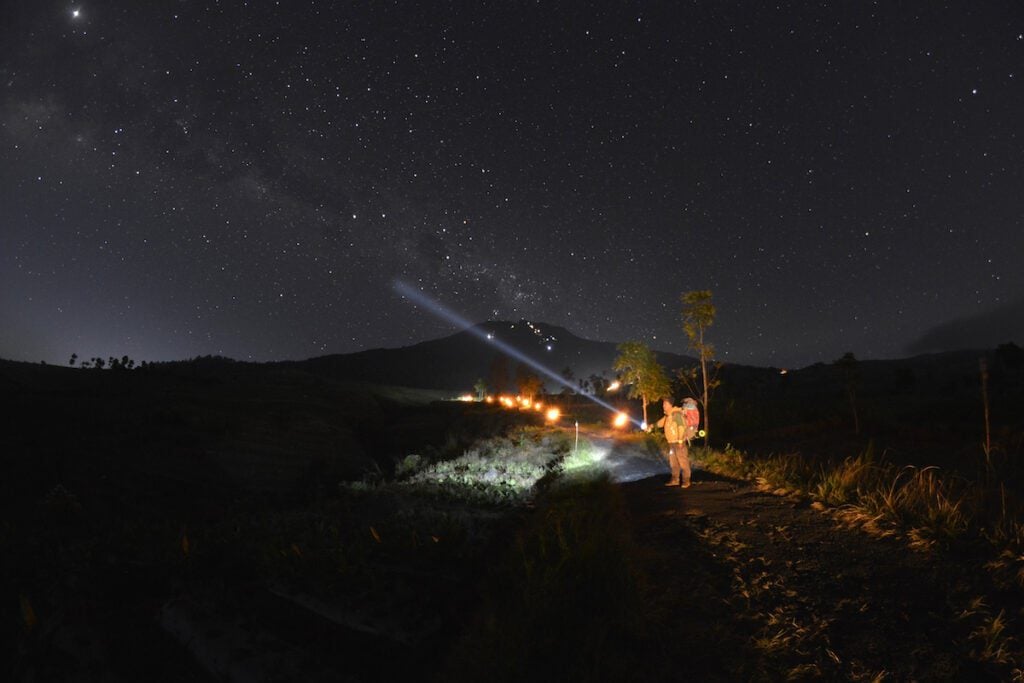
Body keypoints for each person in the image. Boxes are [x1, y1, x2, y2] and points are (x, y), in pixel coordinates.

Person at [652, 397, 694, 488]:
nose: (663, 406)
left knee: (683, 462)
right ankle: (675, 480)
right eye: (663, 404)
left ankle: (686, 481)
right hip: (671, 443)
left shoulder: (676, 414)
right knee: (673, 462)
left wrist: (680, 440)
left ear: (670, 404)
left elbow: (681, 427)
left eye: (665, 404)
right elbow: (660, 423)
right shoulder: (668, 415)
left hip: (678, 442)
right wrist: (652, 426)